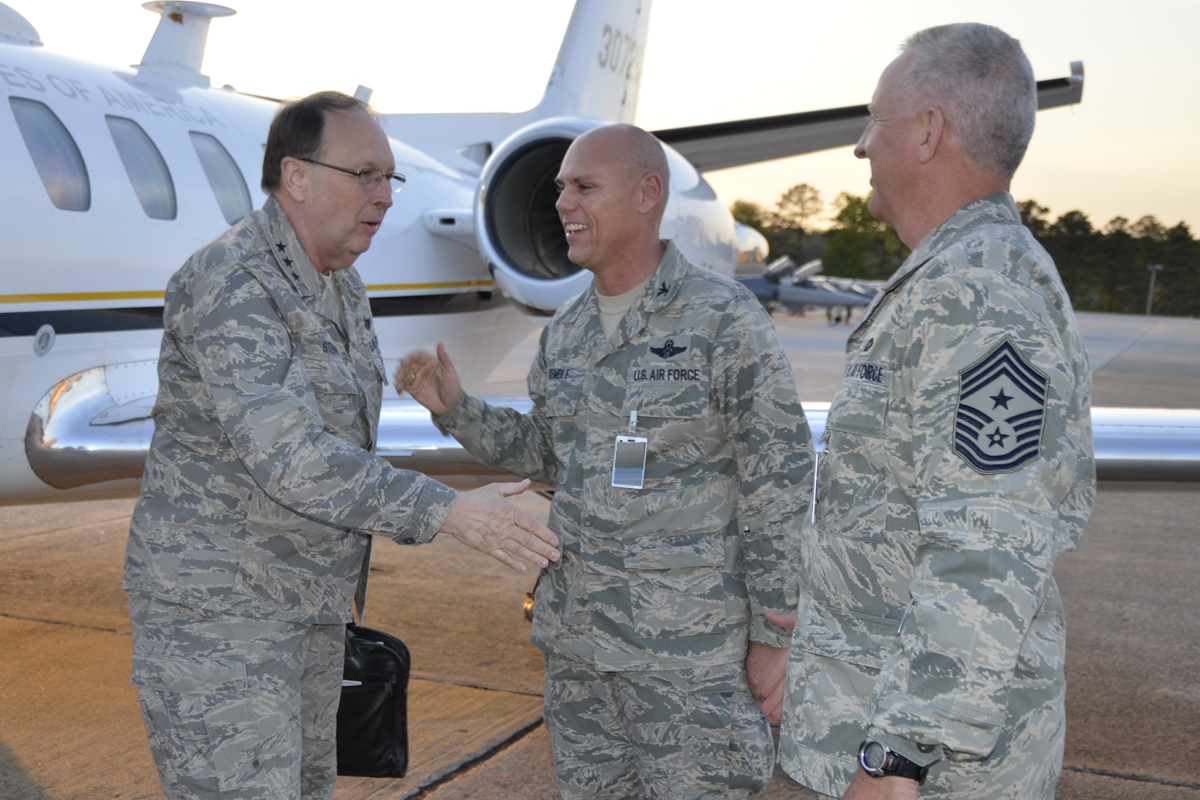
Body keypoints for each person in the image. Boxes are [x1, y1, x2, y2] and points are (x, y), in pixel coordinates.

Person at [123, 91, 560, 800]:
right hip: (223, 622)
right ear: (296, 176)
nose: (386, 197)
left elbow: (336, 433)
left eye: (391, 178)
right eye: (366, 175)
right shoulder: (235, 281)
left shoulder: (341, 284)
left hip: (307, 613)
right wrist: (451, 511)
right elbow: (292, 457)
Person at [398, 123, 814, 800]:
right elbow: (551, 455)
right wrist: (456, 408)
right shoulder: (567, 332)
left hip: (685, 660)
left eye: (584, 187)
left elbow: (780, 479)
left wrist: (775, 632)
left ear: (647, 194)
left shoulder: (721, 320)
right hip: (580, 655)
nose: (562, 203)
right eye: (561, 188)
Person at [764, 23, 1096, 800]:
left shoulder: (978, 297)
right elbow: (912, 506)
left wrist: (896, 759)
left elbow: (987, 548)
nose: (858, 147)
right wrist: (828, 601)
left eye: (872, 121)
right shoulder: (951, 279)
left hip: (933, 769)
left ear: (925, 133)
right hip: (866, 714)